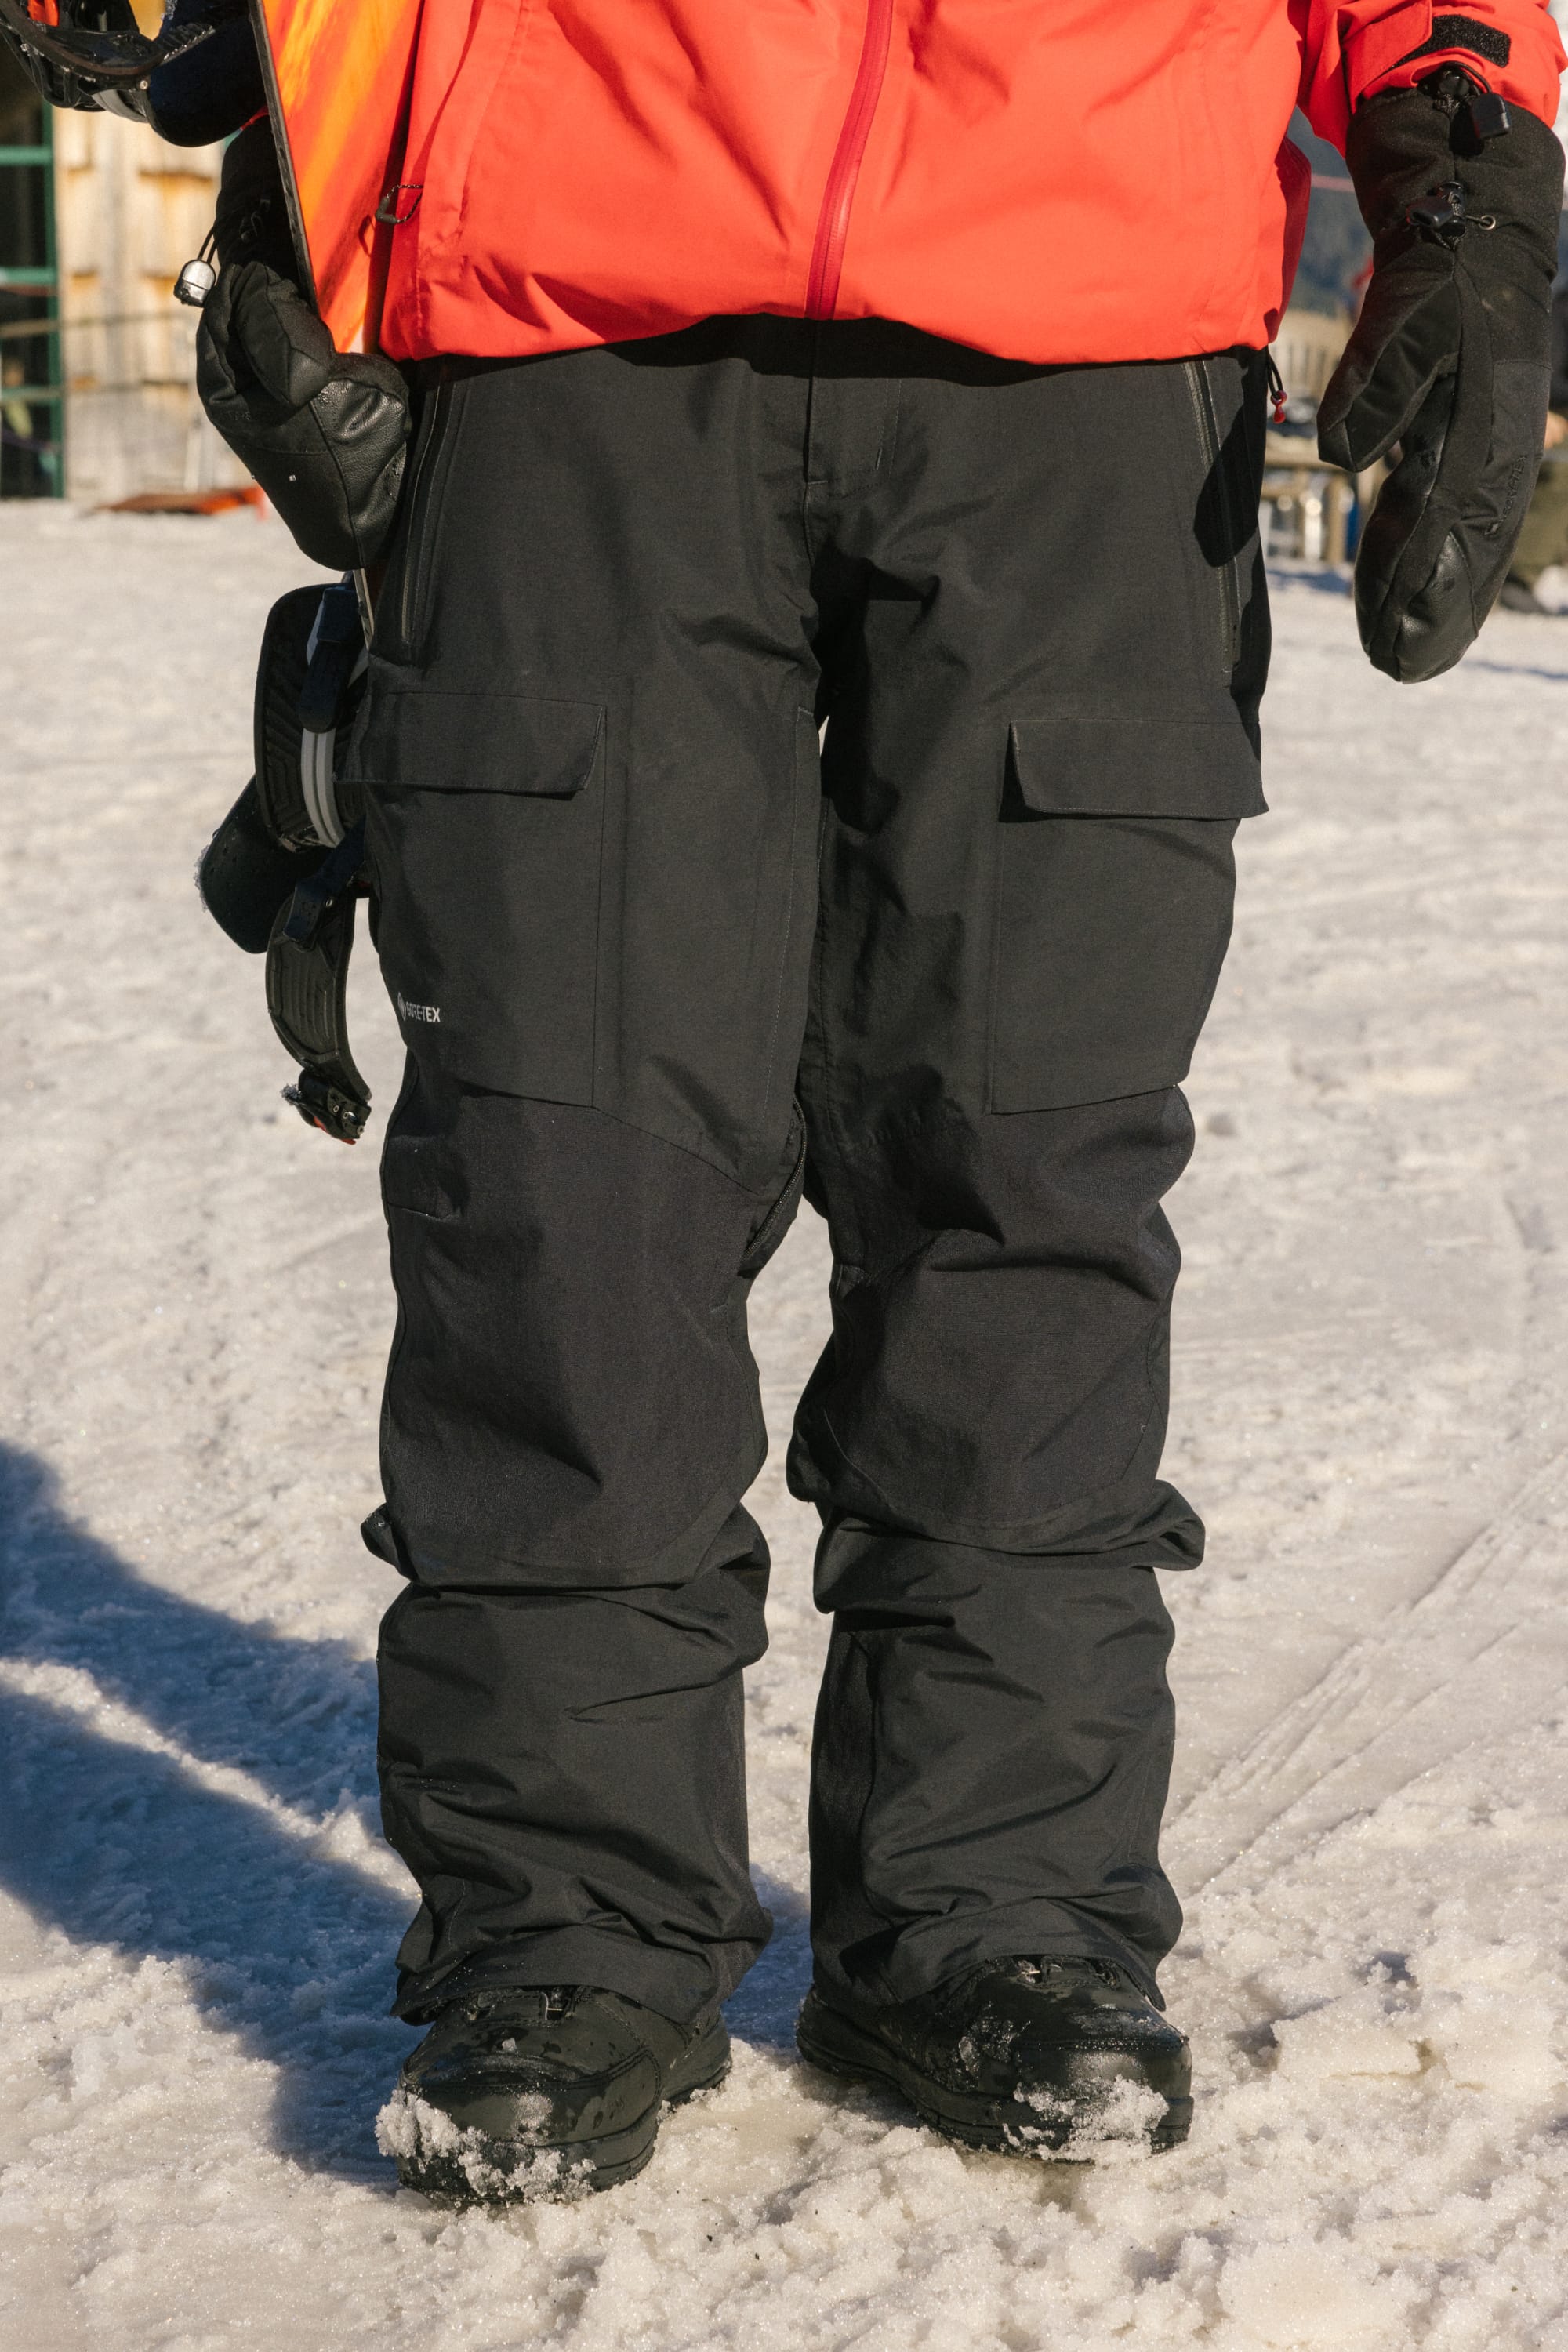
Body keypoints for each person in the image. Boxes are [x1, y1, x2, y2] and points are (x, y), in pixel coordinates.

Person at [8, 0, 1563, 2205]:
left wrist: (1465, 157)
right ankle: (568, 1931)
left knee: (1022, 1158)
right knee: (565, 1174)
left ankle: (998, 1913)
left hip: (1088, 337)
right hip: (573, 318)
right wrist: (286, 134)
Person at [1501, 281, 1568, 611]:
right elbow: (1547, 375)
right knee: (1562, 473)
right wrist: (1547, 410)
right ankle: (1518, 575)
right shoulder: (1562, 309)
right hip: (1551, 412)